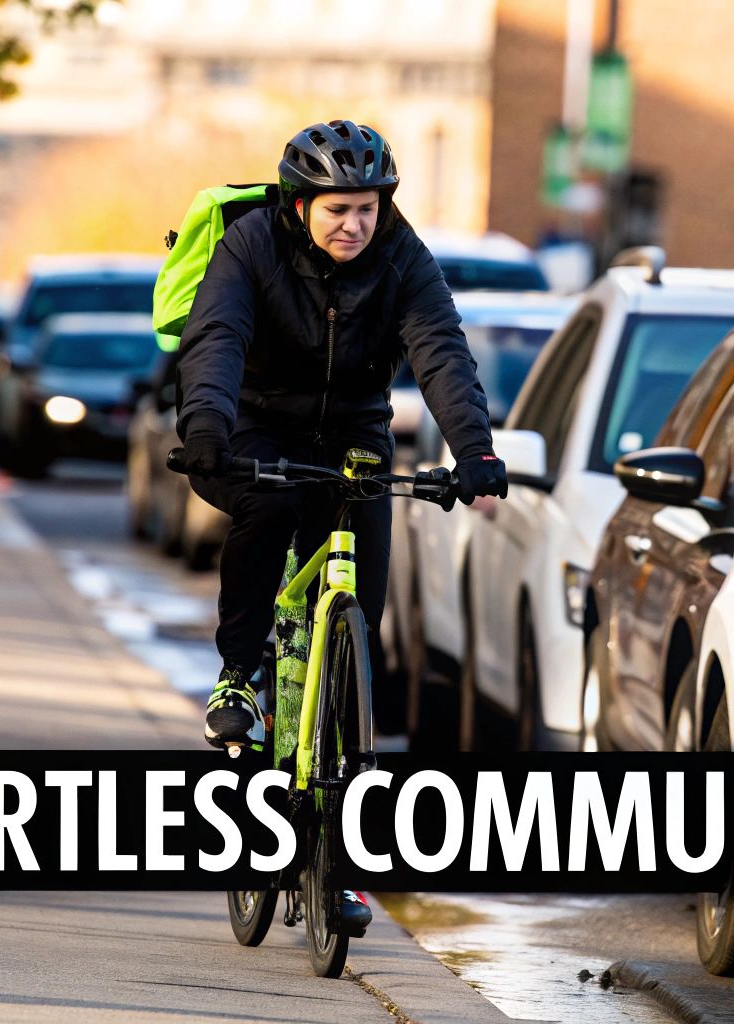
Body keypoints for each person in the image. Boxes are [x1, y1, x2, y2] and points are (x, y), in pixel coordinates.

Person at [176, 120, 507, 744]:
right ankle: (238, 675)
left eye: (367, 209)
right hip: (255, 422)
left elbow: (441, 351)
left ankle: (343, 735)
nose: (354, 225)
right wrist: (207, 429)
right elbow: (218, 338)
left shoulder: (403, 256)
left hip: (354, 429)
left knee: (364, 586)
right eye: (338, 210)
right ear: (301, 206)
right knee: (270, 507)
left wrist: (474, 450)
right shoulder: (252, 244)